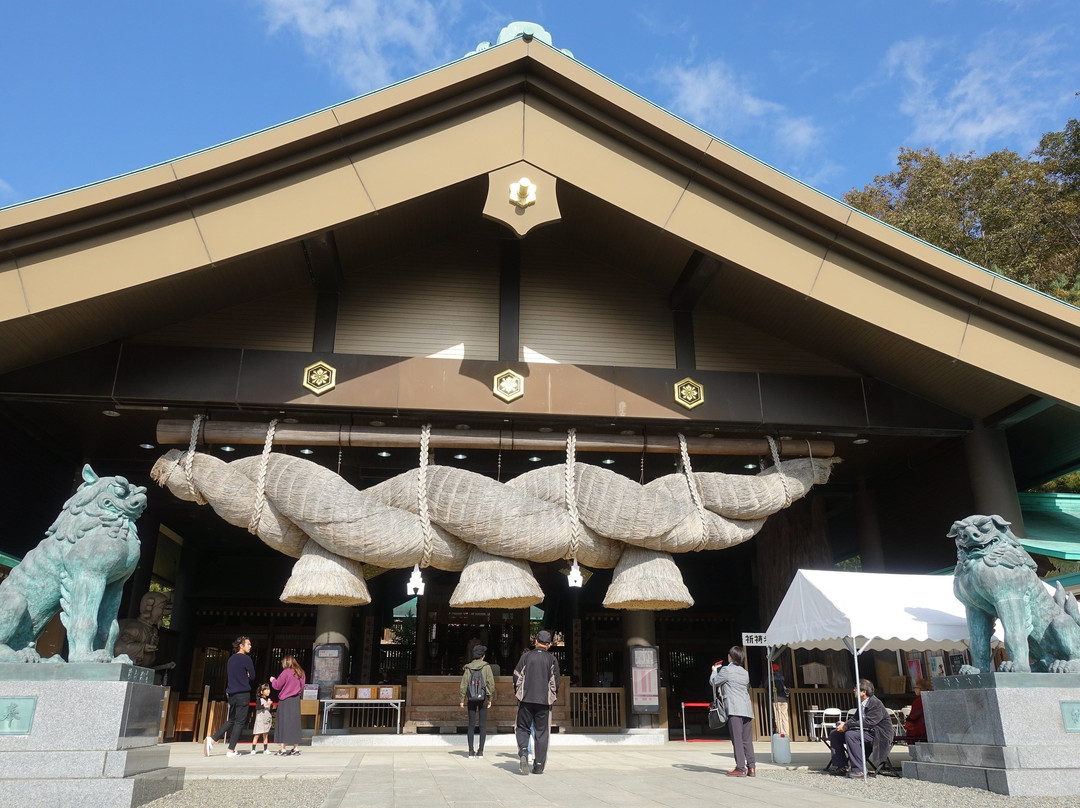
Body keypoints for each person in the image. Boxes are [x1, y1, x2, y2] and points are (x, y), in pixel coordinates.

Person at [513, 629, 560, 775]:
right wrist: (552, 696)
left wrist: (519, 693)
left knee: (522, 728)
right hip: (544, 702)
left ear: (536, 641)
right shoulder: (552, 659)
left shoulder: (526, 657)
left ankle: (523, 753)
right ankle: (539, 765)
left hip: (526, 699)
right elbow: (556, 682)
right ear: (549, 644)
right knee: (542, 732)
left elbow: (516, 676)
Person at [827, 679, 894, 778]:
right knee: (835, 734)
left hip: (879, 734)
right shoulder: (862, 703)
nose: (853, 690)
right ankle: (841, 766)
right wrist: (844, 724)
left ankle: (859, 769)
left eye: (856, 688)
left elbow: (869, 723)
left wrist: (847, 726)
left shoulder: (875, 703)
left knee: (850, 735)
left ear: (864, 692)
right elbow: (855, 718)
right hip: (866, 732)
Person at [204, 635, 255, 757]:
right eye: (248, 644)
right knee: (239, 722)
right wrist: (247, 674)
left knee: (232, 719)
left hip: (231, 694)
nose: (250, 646)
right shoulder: (247, 659)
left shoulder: (231, 659)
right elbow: (252, 676)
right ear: (241, 646)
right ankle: (231, 750)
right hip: (243, 693)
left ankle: (212, 740)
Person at [710, 645, 756, 777]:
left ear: (731, 657)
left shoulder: (726, 670)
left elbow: (714, 682)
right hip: (747, 708)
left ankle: (740, 768)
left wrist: (714, 670)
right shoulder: (745, 672)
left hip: (735, 709)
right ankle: (751, 767)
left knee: (737, 739)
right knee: (747, 740)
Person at [459, 644, 495, 758]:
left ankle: (470, 751)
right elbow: (491, 684)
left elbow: (463, 684)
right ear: (483, 656)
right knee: (483, 725)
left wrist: (462, 699)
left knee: (471, 725)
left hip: (471, 698)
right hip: (483, 698)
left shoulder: (468, 668)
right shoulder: (486, 667)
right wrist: (490, 698)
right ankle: (480, 752)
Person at [271, 654, 307, 756]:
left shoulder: (286, 672)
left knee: (283, 723)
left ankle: (283, 749)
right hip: (296, 700)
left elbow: (277, 686)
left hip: (285, 700)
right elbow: (302, 687)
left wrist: (273, 680)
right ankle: (295, 748)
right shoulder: (301, 673)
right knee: (295, 723)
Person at [765, 662, 790, 737]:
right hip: (784, 699)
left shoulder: (771, 678)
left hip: (776, 699)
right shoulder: (782, 677)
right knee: (785, 717)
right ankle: (787, 734)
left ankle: (781, 734)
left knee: (778, 717)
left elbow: (766, 686)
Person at [251, 683, 273, 754]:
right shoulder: (259, 699)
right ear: (261, 692)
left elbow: (270, 709)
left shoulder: (269, 699)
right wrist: (265, 704)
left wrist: (272, 707)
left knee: (265, 734)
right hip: (260, 719)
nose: (268, 691)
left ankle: (265, 749)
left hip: (266, 719)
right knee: (257, 734)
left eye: (268, 689)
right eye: (266, 690)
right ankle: (253, 749)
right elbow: (257, 707)